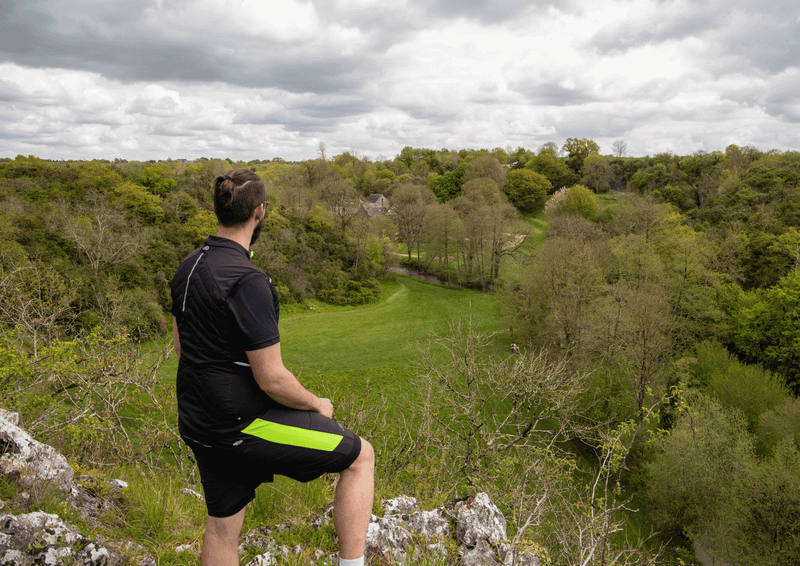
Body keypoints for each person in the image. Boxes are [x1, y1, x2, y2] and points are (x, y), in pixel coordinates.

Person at [170, 168, 374, 566]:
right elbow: (273, 377)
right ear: (260, 212)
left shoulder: (187, 268)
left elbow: (182, 348)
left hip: (198, 421)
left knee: (222, 527)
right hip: (241, 424)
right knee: (360, 456)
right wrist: (316, 404)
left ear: (217, 209)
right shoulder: (247, 280)